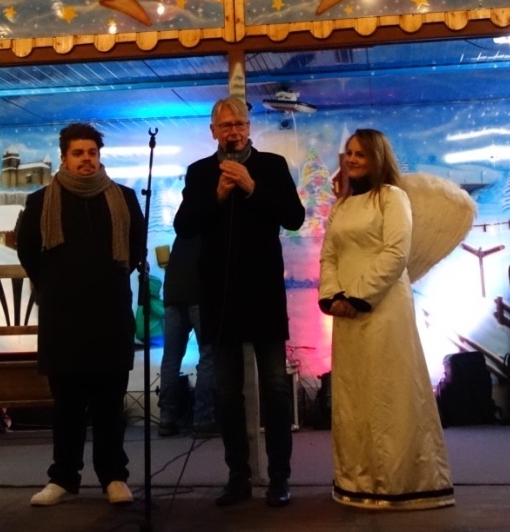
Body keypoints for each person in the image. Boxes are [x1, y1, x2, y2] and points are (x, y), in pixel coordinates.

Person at [174, 95, 305, 507]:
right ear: (213, 131)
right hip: (221, 294)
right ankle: (238, 476)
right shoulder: (200, 172)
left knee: (275, 388)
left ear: (249, 128)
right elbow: (183, 226)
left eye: (240, 124)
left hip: (264, 292)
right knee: (228, 391)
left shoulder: (272, 166)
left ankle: (279, 477)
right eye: (226, 125)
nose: (234, 131)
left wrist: (251, 188)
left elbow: (294, 217)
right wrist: (216, 194)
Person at [318, 128, 454, 510]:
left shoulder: (393, 198)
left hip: (384, 309)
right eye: (349, 153)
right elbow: (329, 256)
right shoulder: (341, 207)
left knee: (390, 393)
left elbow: (396, 253)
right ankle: (358, 480)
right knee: (354, 397)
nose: (352, 159)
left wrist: (358, 297)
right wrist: (334, 297)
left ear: (378, 158)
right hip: (346, 314)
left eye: (361, 153)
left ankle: (403, 483)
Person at [16, 122, 145, 507]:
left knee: (110, 406)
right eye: (78, 153)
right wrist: (56, 285)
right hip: (63, 318)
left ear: (99, 156)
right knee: (67, 407)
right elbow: (28, 252)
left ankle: (114, 477)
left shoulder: (124, 198)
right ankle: (63, 478)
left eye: (92, 152)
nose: (86, 159)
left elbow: (135, 249)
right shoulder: (41, 201)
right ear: (64, 158)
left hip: (110, 315)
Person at [157, 234, 219, 439]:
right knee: (208, 355)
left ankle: (167, 419)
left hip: (173, 294)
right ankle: (203, 418)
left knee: (171, 359)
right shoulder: (210, 231)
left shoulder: (183, 229)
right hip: (199, 294)